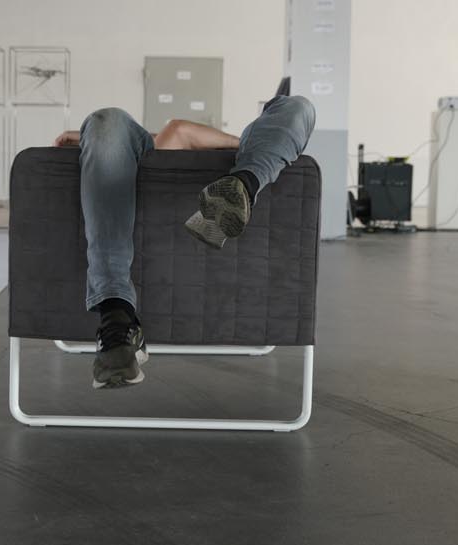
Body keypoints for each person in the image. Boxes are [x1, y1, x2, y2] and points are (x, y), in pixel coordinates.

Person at [53, 81, 316, 388]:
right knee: (298, 107)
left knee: (295, 104)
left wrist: (95, 136)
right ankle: (243, 184)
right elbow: (179, 129)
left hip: (229, 170)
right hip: (248, 162)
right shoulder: (162, 145)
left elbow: (177, 130)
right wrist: (247, 143)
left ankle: (117, 322)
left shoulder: (157, 147)